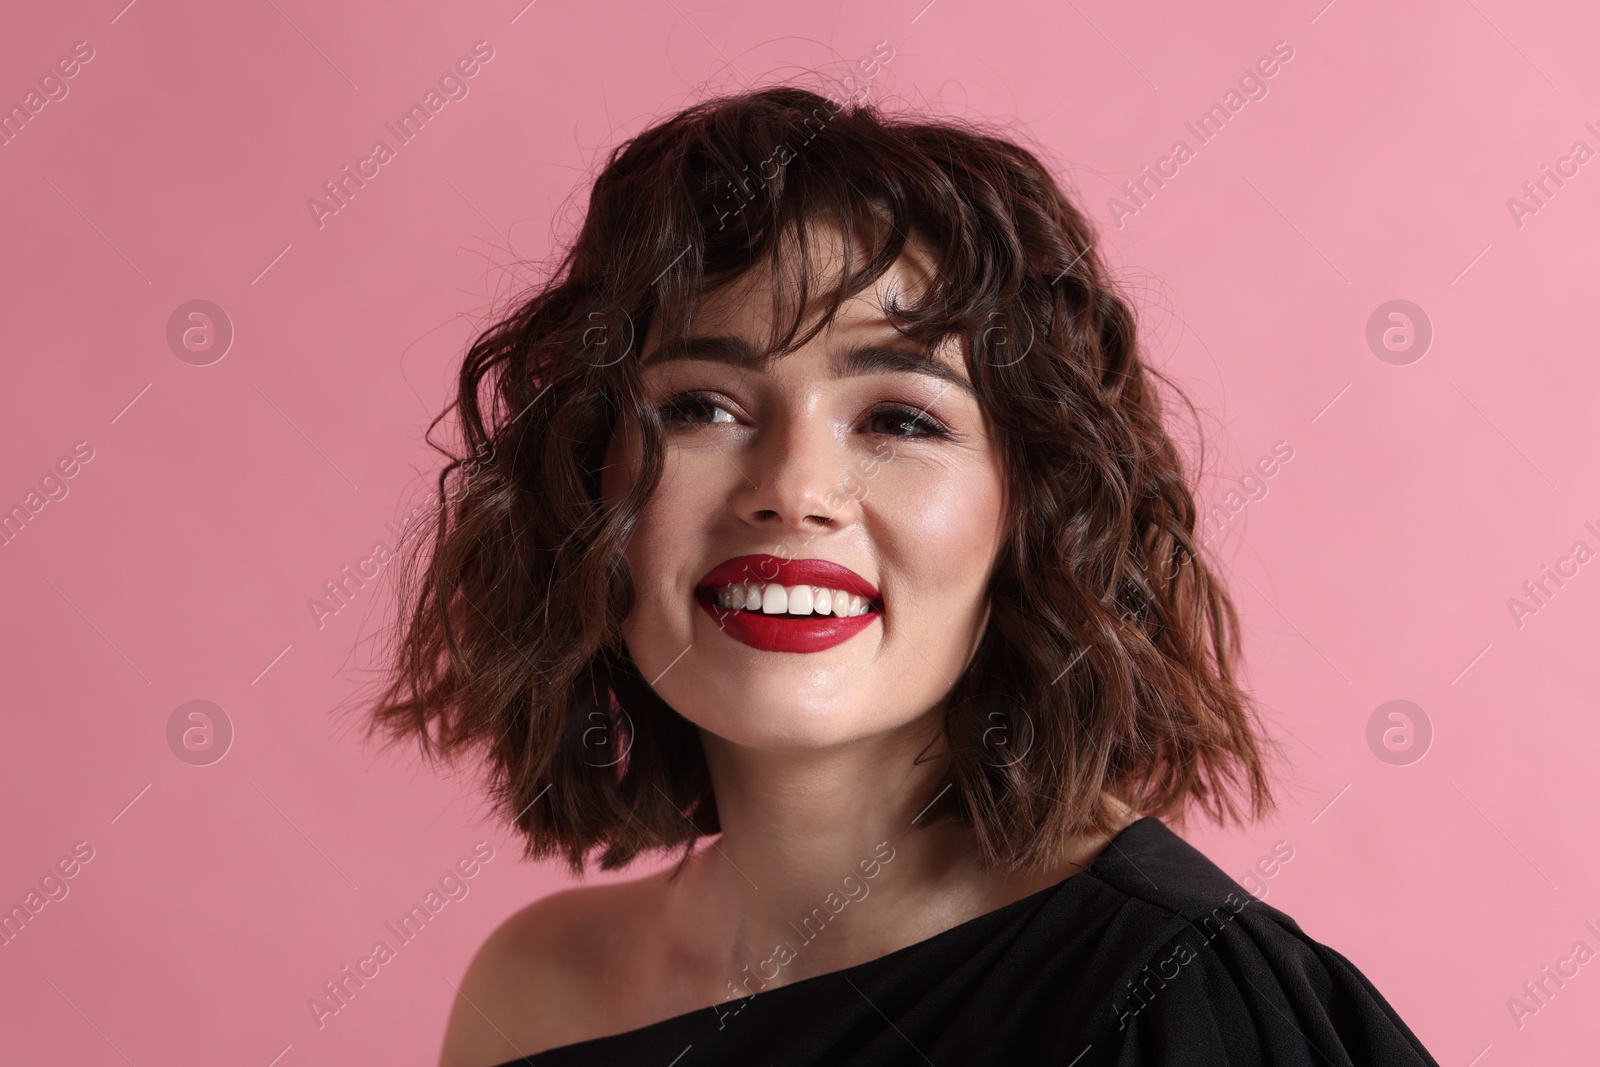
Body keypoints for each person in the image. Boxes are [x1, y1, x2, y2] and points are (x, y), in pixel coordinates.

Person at [363, 85, 1441, 1066]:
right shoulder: (533, 992)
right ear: (585, 486)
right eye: (699, 406)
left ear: (1032, 516)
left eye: (899, 417)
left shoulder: (1174, 996)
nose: (794, 488)